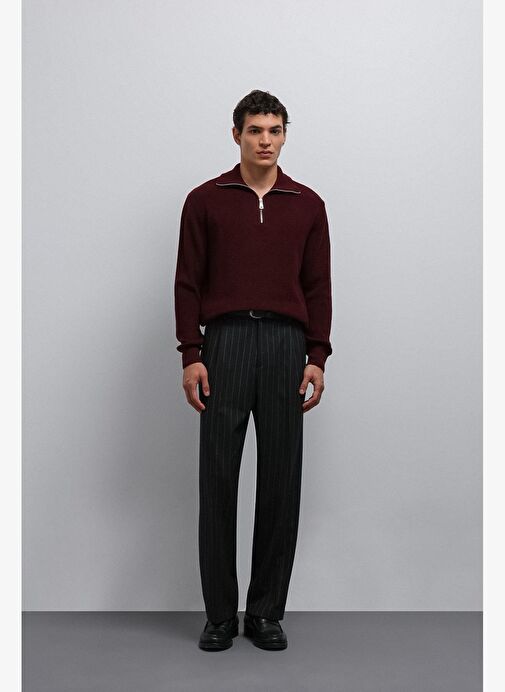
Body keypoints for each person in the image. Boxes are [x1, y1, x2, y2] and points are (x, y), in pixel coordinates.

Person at [174, 89, 332, 651]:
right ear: (236, 134)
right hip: (226, 343)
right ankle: (220, 615)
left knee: (281, 481)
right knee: (218, 479)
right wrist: (192, 354)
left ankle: (265, 612)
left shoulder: (307, 204)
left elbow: (318, 285)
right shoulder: (205, 200)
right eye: (255, 130)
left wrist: (317, 355)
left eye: (275, 130)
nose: (266, 140)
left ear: (285, 134)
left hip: (288, 345)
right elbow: (188, 282)